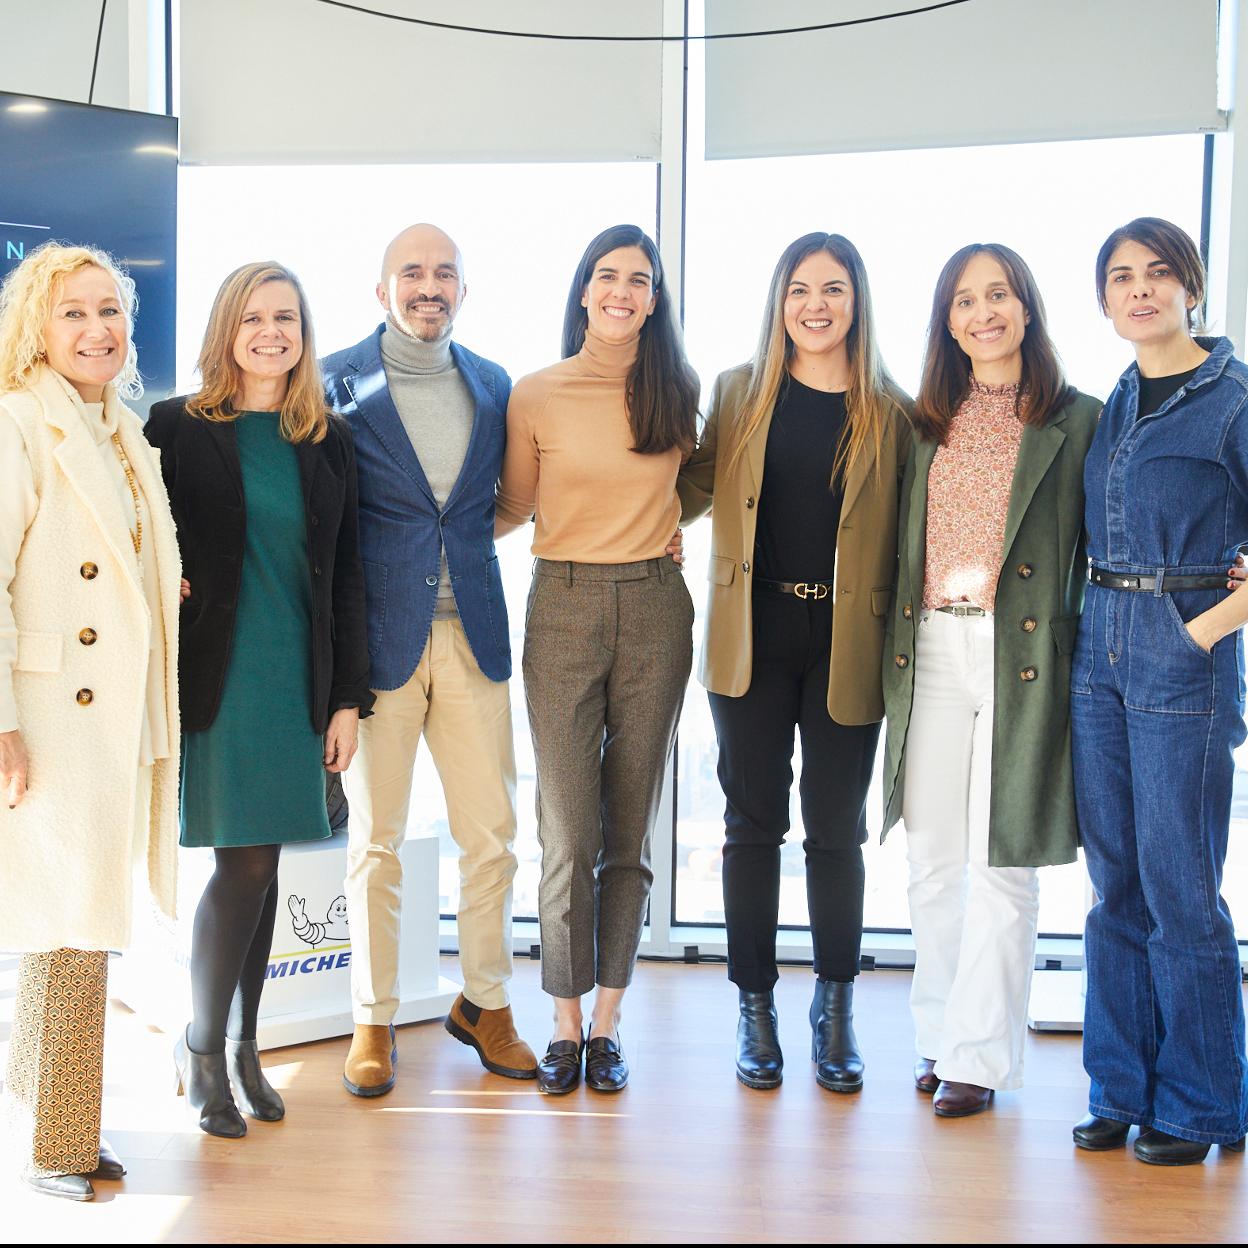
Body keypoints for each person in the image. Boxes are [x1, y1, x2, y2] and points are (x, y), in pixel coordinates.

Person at [678, 232, 909, 1093]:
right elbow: (690, 484)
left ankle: (837, 1004)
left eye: (835, 289)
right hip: (753, 635)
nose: (817, 304)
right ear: (780, 301)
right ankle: (756, 1005)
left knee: (836, 831)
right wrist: (636, 519)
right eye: (801, 289)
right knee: (751, 825)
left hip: (850, 641)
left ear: (858, 301)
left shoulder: (893, 408)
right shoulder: (740, 392)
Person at [147, 261, 372, 1137]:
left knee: (268, 863)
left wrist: (347, 701)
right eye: (253, 317)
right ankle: (201, 1048)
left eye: (285, 317)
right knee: (240, 863)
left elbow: (345, 575)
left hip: (299, 681)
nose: (270, 332)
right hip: (219, 678)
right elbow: (137, 539)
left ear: (304, 333)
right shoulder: (174, 426)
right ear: (225, 330)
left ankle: (246, 1044)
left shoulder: (326, 438)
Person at [881, 243, 1100, 1118]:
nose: (983, 313)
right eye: (965, 300)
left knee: (1004, 859)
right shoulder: (922, 422)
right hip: (931, 648)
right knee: (933, 864)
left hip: (1025, 660)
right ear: (948, 321)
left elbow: (1117, 523)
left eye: (999, 294)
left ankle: (979, 1057)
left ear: (1027, 308)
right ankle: (940, 1038)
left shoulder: (1077, 419)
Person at [322, 225, 537, 1094]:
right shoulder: (333, 378)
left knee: (492, 837)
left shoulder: (494, 384)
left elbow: (510, 503)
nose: (429, 285)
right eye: (411, 272)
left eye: (444, 272)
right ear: (382, 290)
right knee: (377, 841)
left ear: (462, 289)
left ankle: (486, 1004)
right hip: (379, 645)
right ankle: (371, 1020)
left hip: (474, 637)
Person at [497, 223, 699, 1094]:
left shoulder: (677, 390)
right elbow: (509, 505)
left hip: (658, 606)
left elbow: (694, 488)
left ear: (654, 300)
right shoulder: (534, 394)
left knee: (631, 825)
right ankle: (563, 1023)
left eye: (640, 280)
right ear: (583, 289)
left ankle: (609, 1026)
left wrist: (659, 539)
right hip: (564, 606)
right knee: (568, 829)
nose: (622, 291)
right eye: (608, 276)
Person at [0, 242, 181, 1199]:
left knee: (62, 923)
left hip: (109, 705)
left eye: (109, 311)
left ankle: (44, 1122)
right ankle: (58, 1145)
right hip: (49, 711)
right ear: (38, 324)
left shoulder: (120, 426)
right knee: (73, 921)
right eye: (73, 312)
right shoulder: (20, 424)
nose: (96, 329)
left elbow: (125, 556)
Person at [1071, 217, 1248, 1164]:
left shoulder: (1233, 399)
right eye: (1120, 277)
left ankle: (1201, 1106)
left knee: (1184, 887)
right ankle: (1121, 1085)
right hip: (1099, 644)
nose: (1139, 290)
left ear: (1193, 284)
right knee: (1115, 886)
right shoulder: (1118, 400)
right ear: (1104, 301)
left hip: (1184, 647)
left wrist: (1202, 633)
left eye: (1158, 274)